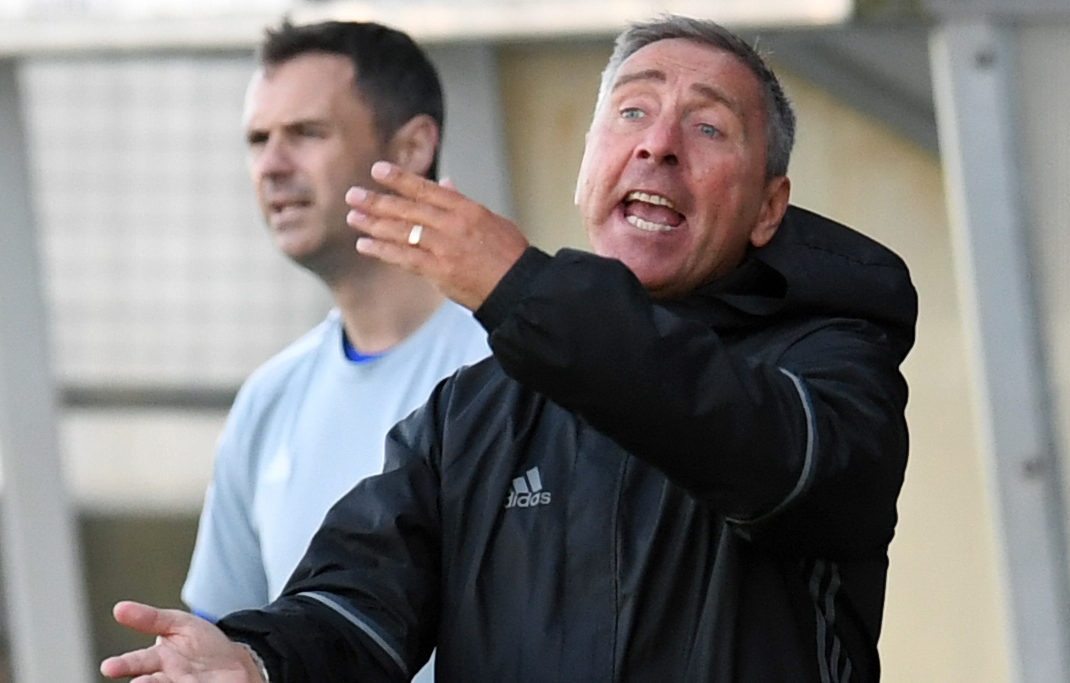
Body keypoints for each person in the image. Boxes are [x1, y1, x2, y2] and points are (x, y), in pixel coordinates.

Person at [102, 14, 917, 682]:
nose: (658, 144)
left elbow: (752, 444)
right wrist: (257, 659)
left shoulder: (831, 368)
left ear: (769, 207)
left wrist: (522, 289)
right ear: (587, 165)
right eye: (631, 112)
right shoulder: (473, 406)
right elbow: (357, 605)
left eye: (707, 126)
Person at [178, 19, 489, 682]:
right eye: (258, 139)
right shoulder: (269, 398)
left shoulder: (512, 369)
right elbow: (223, 648)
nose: (272, 164)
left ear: (410, 148)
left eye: (307, 133)